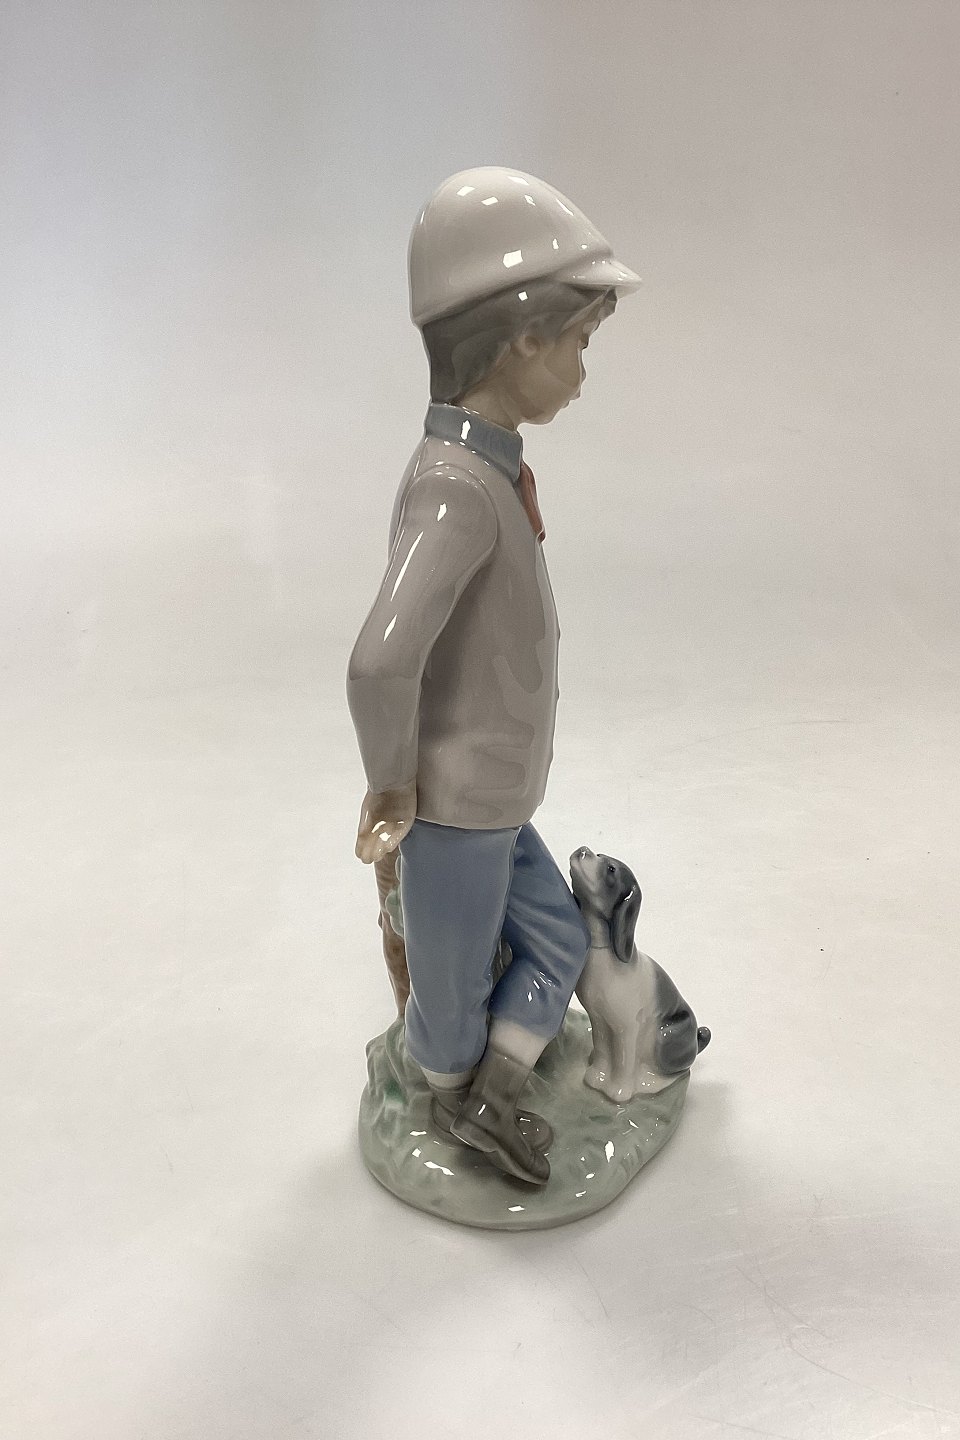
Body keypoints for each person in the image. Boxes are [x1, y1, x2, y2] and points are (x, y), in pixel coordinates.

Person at [347, 167, 640, 1185]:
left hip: (498, 800)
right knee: (451, 987)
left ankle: (493, 1097)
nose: (583, 369)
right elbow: (380, 659)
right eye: (579, 342)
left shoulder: (486, 471)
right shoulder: (457, 491)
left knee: (557, 942)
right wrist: (393, 785)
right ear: (521, 339)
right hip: (457, 807)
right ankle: (451, 1099)